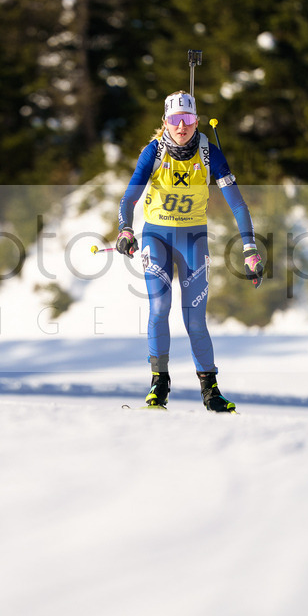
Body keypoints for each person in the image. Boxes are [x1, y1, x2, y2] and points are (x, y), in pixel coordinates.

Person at [116, 91, 264, 411]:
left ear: (196, 121)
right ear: (165, 122)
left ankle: (210, 391)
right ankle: (159, 385)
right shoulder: (153, 152)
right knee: (160, 307)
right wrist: (126, 229)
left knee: (195, 318)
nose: (180, 126)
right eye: (174, 119)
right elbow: (128, 199)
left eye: (187, 119)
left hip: (193, 240)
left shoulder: (210, 154)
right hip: (157, 237)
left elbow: (237, 204)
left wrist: (250, 248)